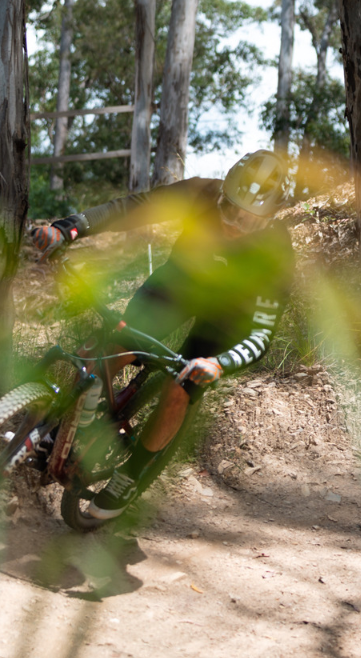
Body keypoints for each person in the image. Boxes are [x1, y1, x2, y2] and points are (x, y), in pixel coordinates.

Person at [30, 150, 294, 519]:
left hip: (227, 320)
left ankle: (132, 475)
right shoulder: (200, 194)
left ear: (270, 220)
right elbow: (134, 207)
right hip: (178, 287)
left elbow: (262, 334)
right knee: (110, 349)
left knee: (179, 389)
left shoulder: (276, 253)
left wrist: (218, 364)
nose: (235, 225)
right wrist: (68, 227)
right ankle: (67, 429)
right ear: (222, 194)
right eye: (230, 210)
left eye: (249, 221)